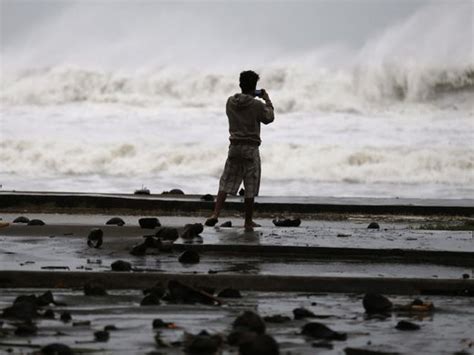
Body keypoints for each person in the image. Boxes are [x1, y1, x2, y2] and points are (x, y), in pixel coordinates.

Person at [205, 70, 275, 231]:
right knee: (250, 184)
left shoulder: (230, 101)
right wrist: (267, 100)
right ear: (254, 87)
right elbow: (269, 118)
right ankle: (248, 221)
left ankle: (215, 214)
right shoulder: (257, 104)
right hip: (250, 148)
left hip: (234, 147)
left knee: (226, 181)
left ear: (240, 85)